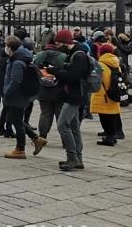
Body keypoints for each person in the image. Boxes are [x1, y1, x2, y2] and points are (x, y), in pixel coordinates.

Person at [46, 30, 91, 171]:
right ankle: (78, 158)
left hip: (75, 96)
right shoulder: (74, 54)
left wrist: (55, 71)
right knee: (74, 127)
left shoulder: (79, 55)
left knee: (62, 125)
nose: (58, 46)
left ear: (66, 42)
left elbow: (74, 76)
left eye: (59, 43)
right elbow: (71, 71)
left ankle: (72, 157)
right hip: (72, 94)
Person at [2, 36, 47, 159]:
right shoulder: (20, 58)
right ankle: (36, 139)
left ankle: (20, 149)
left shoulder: (17, 62)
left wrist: (7, 93)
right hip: (19, 95)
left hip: (16, 95)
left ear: (10, 47)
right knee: (16, 119)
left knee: (17, 122)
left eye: (6, 45)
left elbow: (16, 81)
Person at [34, 29, 69, 143]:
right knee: (60, 115)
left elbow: (34, 67)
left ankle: (42, 136)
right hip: (59, 89)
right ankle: (65, 139)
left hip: (43, 87)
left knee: (45, 113)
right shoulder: (63, 56)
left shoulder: (40, 55)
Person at [91, 43, 122, 146]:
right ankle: (111, 136)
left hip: (103, 95)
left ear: (101, 52)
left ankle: (109, 138)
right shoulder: (116, 63)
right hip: (114, 93)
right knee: (112, 116)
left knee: (104, 117)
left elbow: (96, 80)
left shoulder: (100, 65)